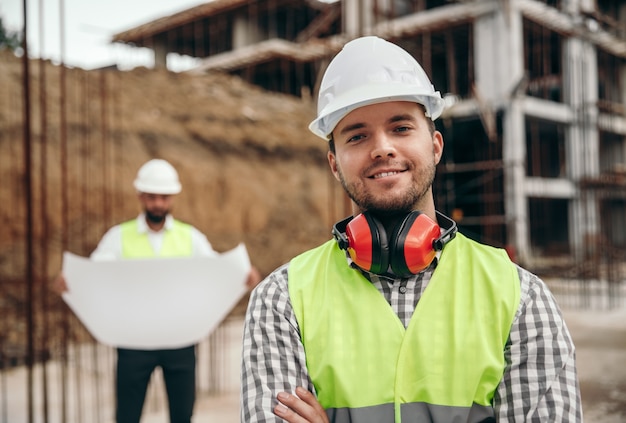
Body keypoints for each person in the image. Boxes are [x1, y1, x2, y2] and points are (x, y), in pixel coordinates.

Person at [240, 36, 582, 422]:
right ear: (335, 164)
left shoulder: (520, 296)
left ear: (435, 146)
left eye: (400, 128)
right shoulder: (282, 300)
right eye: (357, 135)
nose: (382, 148)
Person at [52, 158, 260, 423]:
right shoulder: (118, 237)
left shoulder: (190, 237)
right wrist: (72, 281)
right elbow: (95, 275)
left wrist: (242, 275)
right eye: (152, 197)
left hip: (181, 341)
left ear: (172, 198)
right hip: (133, 342)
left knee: (182, 416)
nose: (158, 204)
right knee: (127, 415)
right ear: (140, 196)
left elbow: (214, 270)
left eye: (163, 197)